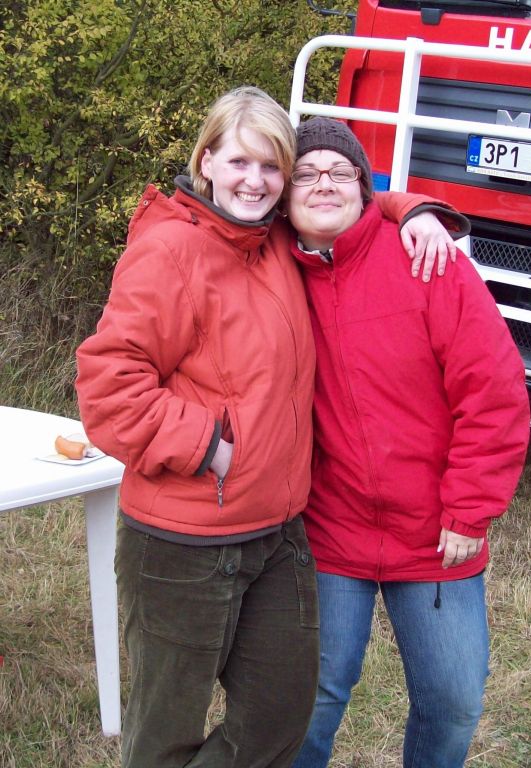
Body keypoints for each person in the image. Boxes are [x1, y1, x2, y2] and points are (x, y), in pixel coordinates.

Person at [75, 87, 466, 768]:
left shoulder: (276, 240)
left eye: (271, 167)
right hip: (183, 542)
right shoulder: (170, 251)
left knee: (281, 719)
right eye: (238, 162)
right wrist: (206, 444)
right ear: (206, 162)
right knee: (164, 734)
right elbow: (107, 386)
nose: (254, 181)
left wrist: (413, 210)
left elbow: (344, 200)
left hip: (278, 534)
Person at [286, 118, 531, 768]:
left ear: (364, 187)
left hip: (435, 532)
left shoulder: (425, 260)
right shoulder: (276, 270)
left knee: (453, 701)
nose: (324, 183)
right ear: (284, 195)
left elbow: (494, 390)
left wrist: (469, 508)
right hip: (331, 526)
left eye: (340, 172)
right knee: (308, 702)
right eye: (305, 173)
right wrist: (410, 203)